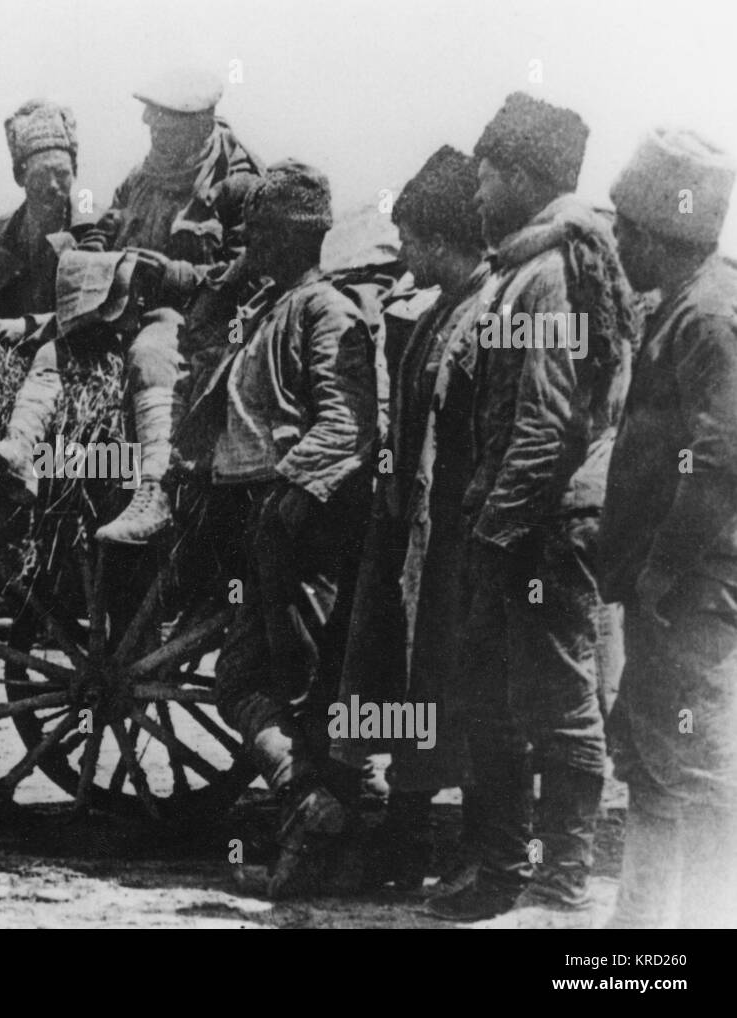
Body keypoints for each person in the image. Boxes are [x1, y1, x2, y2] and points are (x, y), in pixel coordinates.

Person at [430, 94, 638, 921]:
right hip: (520, 521)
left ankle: (558, 887)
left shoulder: (548, 275)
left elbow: (547, 424)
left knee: (556, 704)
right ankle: (503, 874)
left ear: (521, 176)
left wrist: (498, 531)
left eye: (486, 179)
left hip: (544, 526)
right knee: (493, 700)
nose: (477, 197)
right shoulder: (527, 264)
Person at [174, 161, 377, 899]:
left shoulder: (325, 310)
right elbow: (198, 337)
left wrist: (288, 505)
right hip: (258, 518)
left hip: (302, 523)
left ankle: (329, 838)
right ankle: (311, 807)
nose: (245, 242)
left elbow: (349, 422)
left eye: (258, 231)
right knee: (242, 681)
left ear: (292, 237)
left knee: (308, 684)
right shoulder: (266, 306)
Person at [0, 68, 261, 541]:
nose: (150, 126)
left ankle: (156, 491)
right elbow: (111, 221)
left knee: (150, 352)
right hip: (128, 311)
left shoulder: (239, 187)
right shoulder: (143, 177)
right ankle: (20, 453)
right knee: (54, 352)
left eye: (161, 121)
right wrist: (97, 247)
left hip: (194, 325)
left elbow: (245, 277)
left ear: (197, 123)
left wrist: (170, 273)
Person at [330, 146, 489, 894]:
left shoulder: (480, 314)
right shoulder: (434, 311)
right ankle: (405, 834)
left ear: (442, 239)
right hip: (417, 529)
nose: (407, 256)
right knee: (401, 685)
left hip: (455, 534)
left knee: (445, 689)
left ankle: (437, 845)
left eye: (416, 242)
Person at [601, 128, 737, 928]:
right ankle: (643, 935)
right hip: (671, 584)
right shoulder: (685, 308)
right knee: (656, 762)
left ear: (658, 235)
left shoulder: (710, 318)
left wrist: (662, 569)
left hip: (694, 585)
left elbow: (717, 462)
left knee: (701, 766)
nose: (617, 246)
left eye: (625, 232)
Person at [0, 99, 83, 344]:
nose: (53, 186)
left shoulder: (96, 232)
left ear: (75, 172)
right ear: (21, 177)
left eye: (62, 174)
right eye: (41, 175)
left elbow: (102, 316)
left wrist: (28, 327)